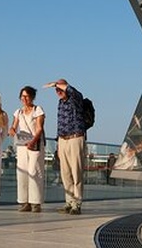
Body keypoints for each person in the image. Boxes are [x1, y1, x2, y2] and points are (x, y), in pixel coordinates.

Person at [45, 78, 87, 215]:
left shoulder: (75, 99)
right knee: (65, 173)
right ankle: (69, 202)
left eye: (60, 88)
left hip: (75, 138)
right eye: (56, 89)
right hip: (63, 139)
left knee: (76, 172)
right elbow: (60, 124)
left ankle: (77, 203)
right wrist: (58, 143)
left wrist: (58, 84)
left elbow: (73, 92)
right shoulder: (60, 103)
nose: (58, 91)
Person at [8, 85, 45, 213]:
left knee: (34, 171)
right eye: (22, 96)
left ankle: (36, 202)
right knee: (22, 172)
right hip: (22, 145)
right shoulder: (18, 112)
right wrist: (13, 131)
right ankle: (24, 201)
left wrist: (33, 141)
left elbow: (39, 128)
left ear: (32, 97)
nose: (24, 99)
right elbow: (13, 127)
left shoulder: (38, 110)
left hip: (35, 144)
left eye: (27, 96)